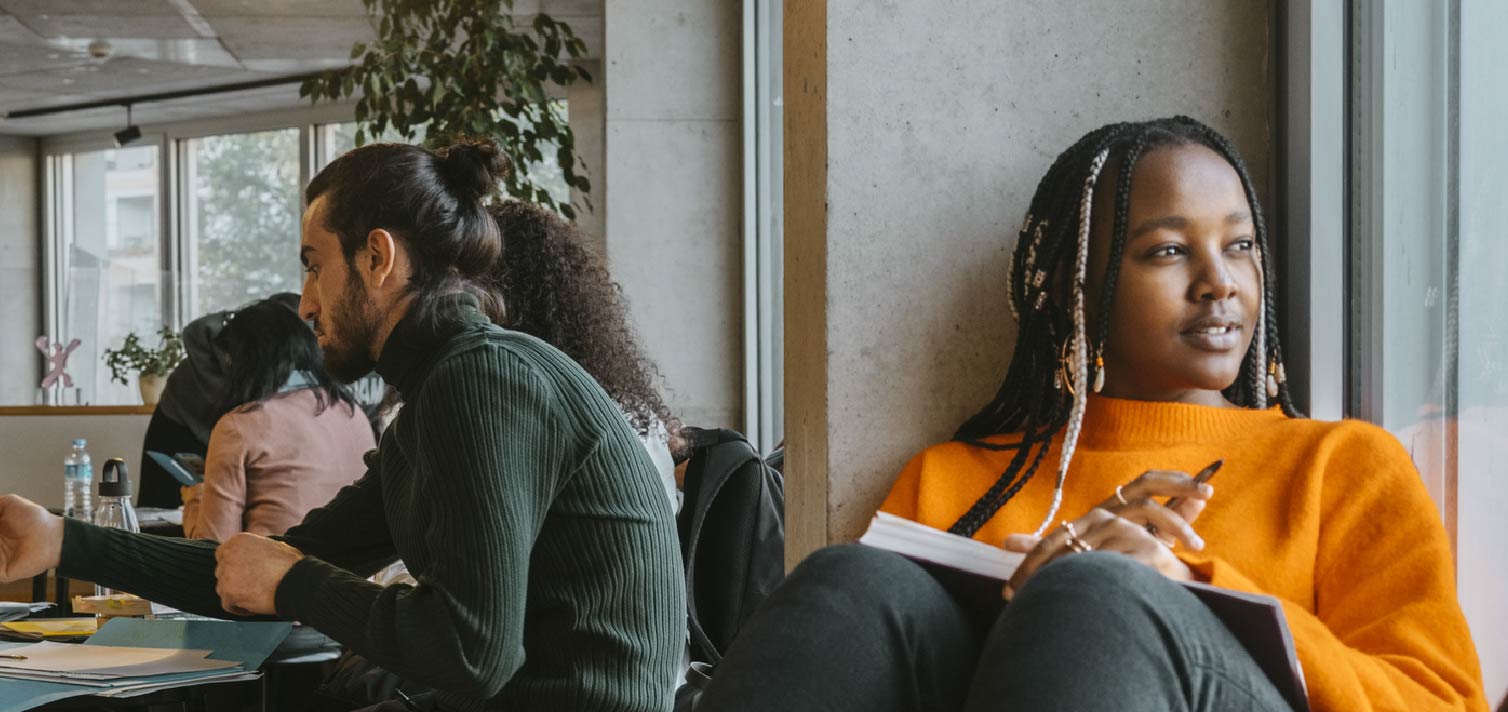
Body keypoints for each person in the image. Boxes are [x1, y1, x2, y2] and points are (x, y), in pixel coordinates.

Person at [698, 117, 1487, 711]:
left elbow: (1438, 701)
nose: (1219, 281)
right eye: (1168, 251)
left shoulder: (1341, 464)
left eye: (1240, 247)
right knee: (849, 583)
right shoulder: (953, 479)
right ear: (1083, 295)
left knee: (1098, 598)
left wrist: (1190, 584)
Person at [0, 139, 684, 712]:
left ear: (377, 258)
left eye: (313, 265)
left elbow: (473, 653)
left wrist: (295, 582)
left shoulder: (480, 382)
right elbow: (270, 564)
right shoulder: (444, 391)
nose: (304, 301)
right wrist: (60, 540)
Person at [180, 297, 374, 541]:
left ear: (242, 362)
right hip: (352, 574)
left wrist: (195, 499)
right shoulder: (351, 413)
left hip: (272, 572)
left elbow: (213, 545)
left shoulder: (238, 426)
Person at [137, 292, 302, 509]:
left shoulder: (246, 358)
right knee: (168, 513)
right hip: (178, 436)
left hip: (210, 442)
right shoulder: (247, 362)